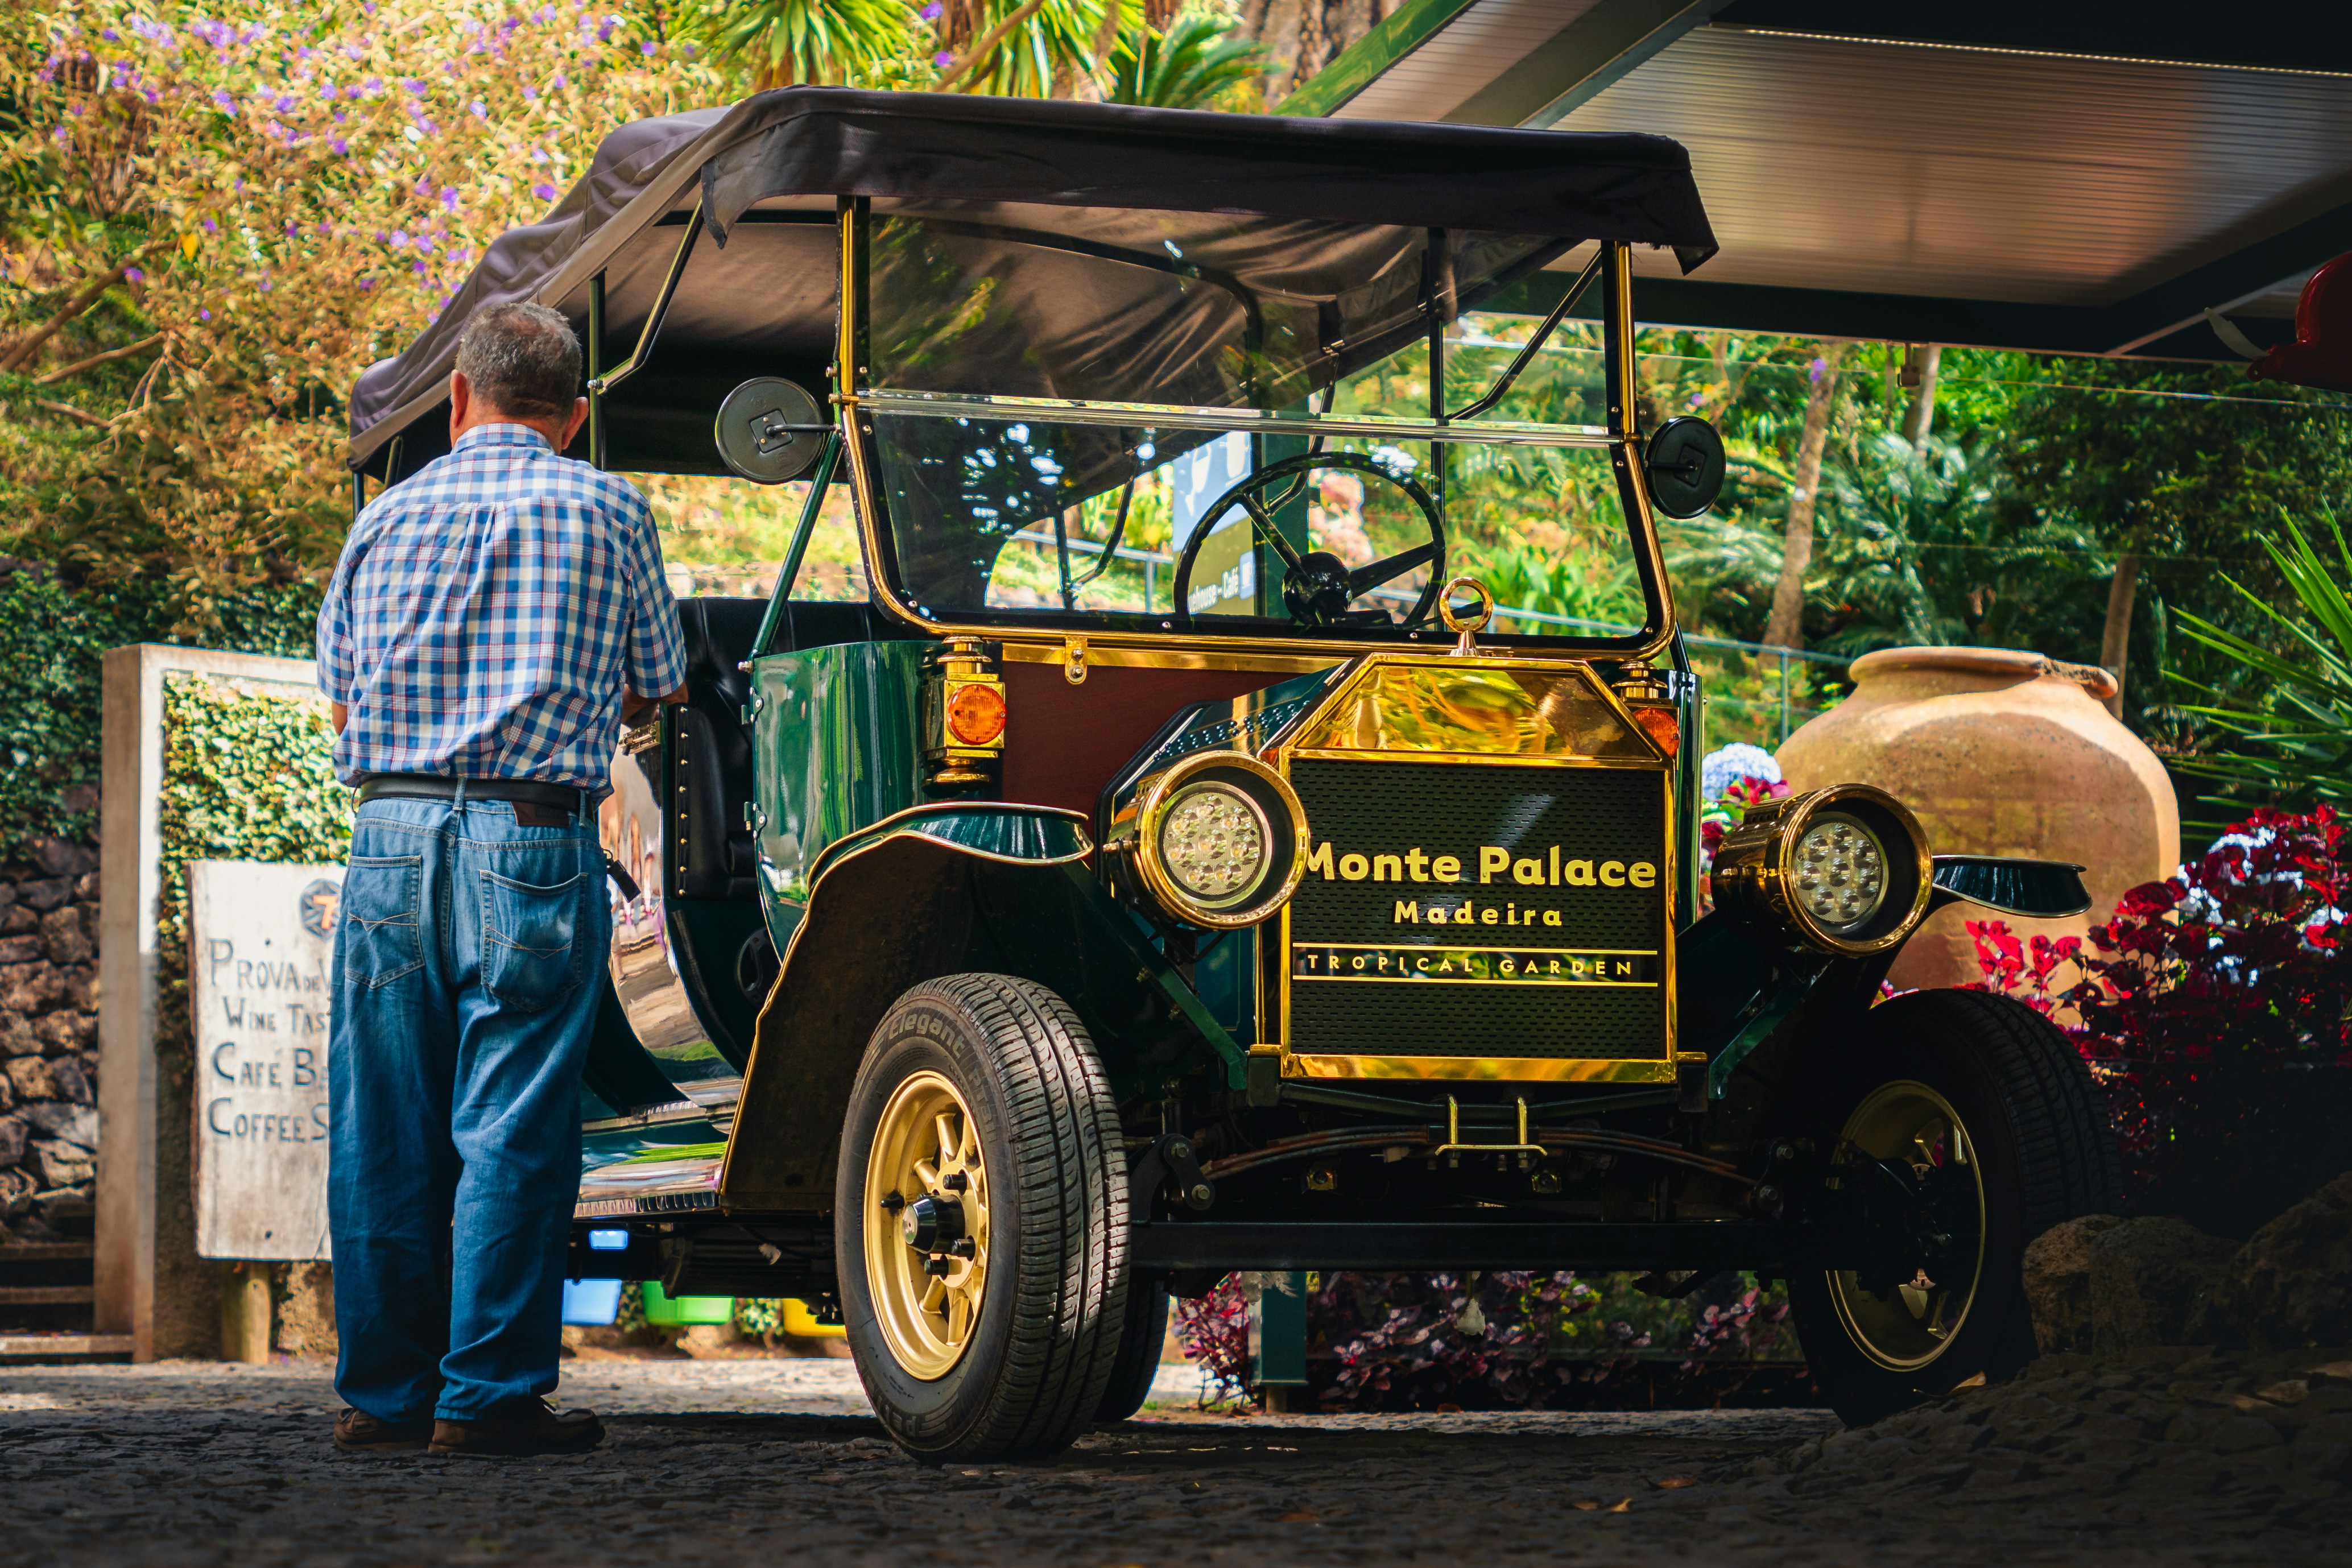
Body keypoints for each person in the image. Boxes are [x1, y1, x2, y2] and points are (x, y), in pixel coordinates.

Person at [316, 302, 687, 1458]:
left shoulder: (386, 519)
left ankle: (383, 1396)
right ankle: (483, 1399)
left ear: (459, 400)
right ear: (574, 417)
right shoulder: (612, 507)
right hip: (531, 842)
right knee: (514, 1126)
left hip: (389, 837)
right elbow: (655, 684)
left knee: (384, 1125)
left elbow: (337, 698)